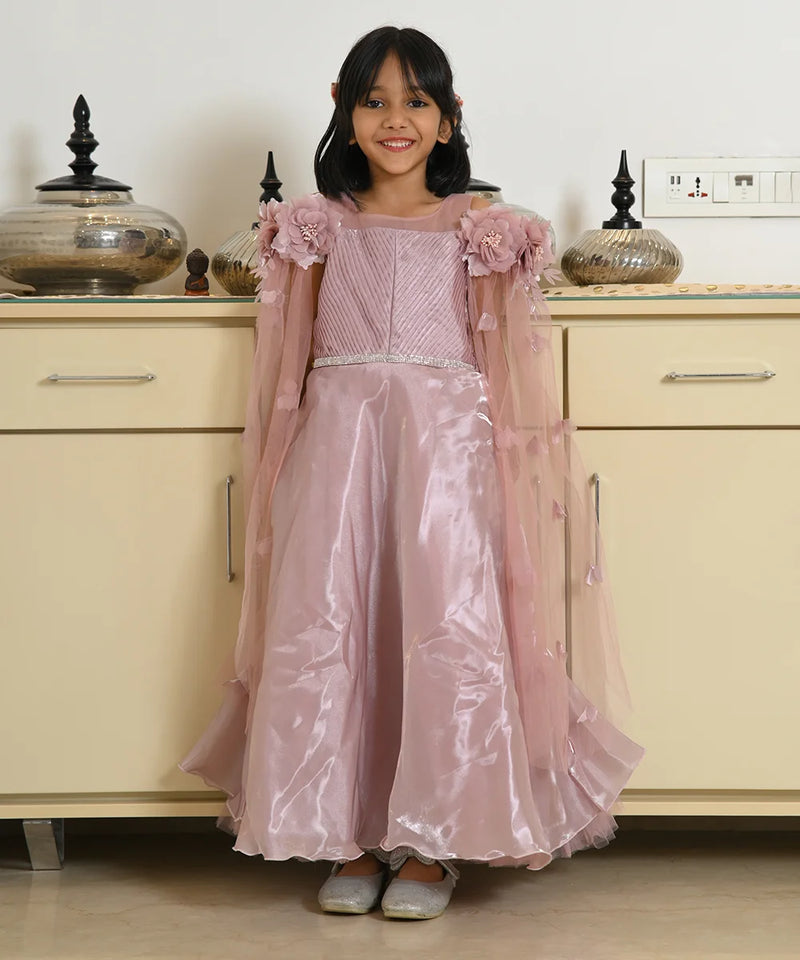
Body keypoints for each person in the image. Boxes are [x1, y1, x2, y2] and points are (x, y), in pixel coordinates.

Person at [181, 25, 644, 920]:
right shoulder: (314, 226)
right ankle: (347, 829)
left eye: (416, 101)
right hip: (338, 445)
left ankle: (435, 841)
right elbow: (284, 366)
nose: (396, 119)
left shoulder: (482, 228)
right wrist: (281, 467)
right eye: (375, 100)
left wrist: (509, 472)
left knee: (443, 628)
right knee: (332, 623)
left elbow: (507, 362)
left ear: (448, 116)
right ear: (343, 111)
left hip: (446, 454)